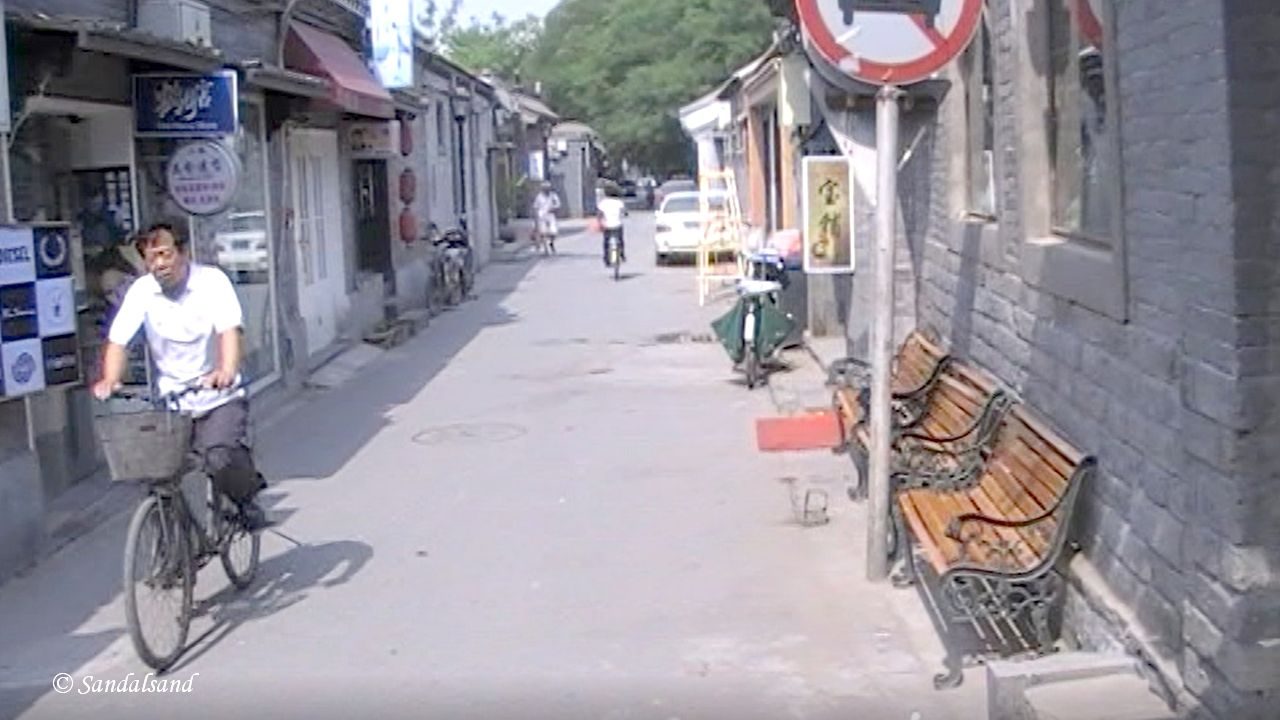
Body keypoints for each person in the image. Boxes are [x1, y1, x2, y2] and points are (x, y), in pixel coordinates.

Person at [91, 222, 272, 531]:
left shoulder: (211, 282)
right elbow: (118, 339)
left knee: (219, 457)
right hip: (173, 402)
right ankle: (174, 551)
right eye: (151, 258)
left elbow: (229, 330)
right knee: (158, 474)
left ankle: (246, 499)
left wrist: (226, 370)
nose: (159, 264)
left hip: (218, 396)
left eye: (165, 254)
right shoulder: (142, 290)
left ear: (183, 252)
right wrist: (110, 379)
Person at [596, 186, 628, 266]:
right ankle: (622, 255)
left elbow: (599, 214)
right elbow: (624, 211)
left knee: (606, 242)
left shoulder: (603, 203)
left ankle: (606, 258)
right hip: (617, 225)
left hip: (607, 226)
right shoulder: (618, 202)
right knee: (620, 241)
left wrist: (599, 222)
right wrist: (625, 214)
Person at [532, 182, 561, 252]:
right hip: (541, 215)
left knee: (554, 232)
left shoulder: (553, 195)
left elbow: (558, 204)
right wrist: (536, 218)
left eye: (547, 188)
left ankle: (551, 242)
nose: (546, 190)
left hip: (550, 215)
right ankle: (545, 248)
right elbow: (535, 207)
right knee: (543, 232)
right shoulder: (539, 197)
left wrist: (554, 208)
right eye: (544, 188)